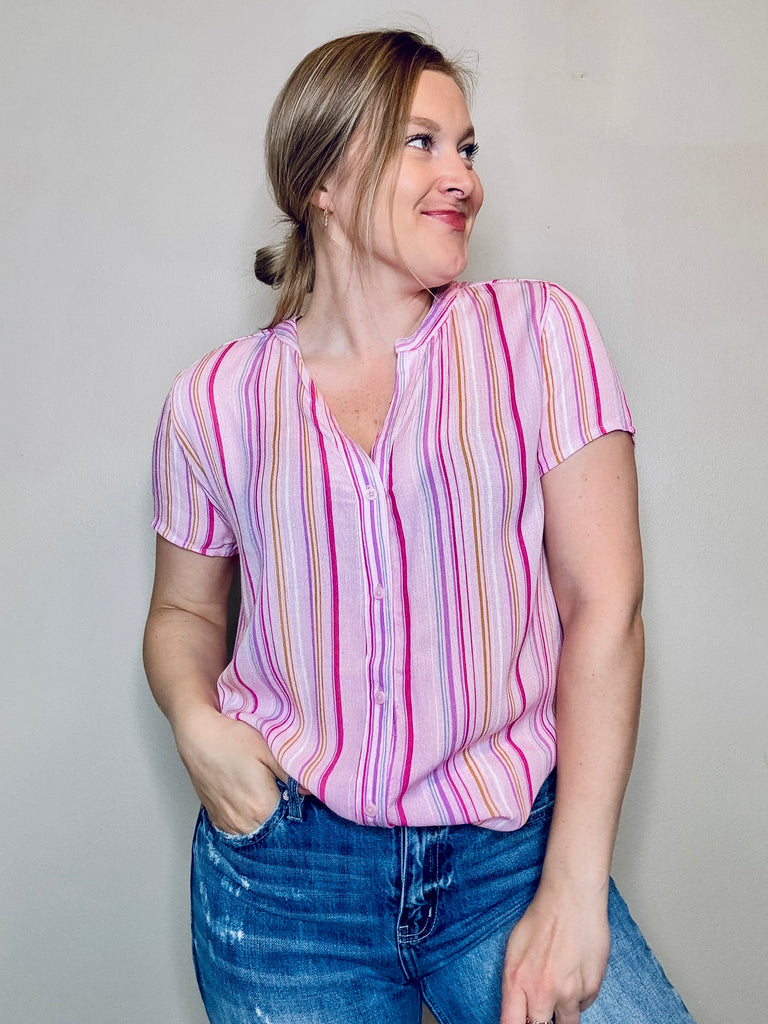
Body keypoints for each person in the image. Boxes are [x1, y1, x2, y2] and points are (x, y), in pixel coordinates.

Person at [143, 29, 696, 1024]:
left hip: (507, 862)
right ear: (323, 177)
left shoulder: (539, 335)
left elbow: (604, 607)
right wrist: (194, 721)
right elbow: (184, 612)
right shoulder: (214, 401)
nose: (463, 178)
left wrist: (573, 889)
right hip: (286, 885)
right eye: (422, 142)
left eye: (468, 148)